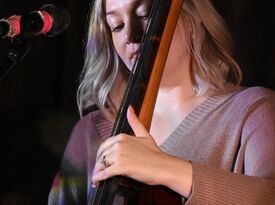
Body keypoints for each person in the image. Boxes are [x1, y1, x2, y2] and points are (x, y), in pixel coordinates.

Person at [48, 0, 275, 204]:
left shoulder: (251, 110)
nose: (130, 34)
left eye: (146, 14)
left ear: (192, 19)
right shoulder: (90, 132)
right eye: (117, 25)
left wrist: (163, 167)